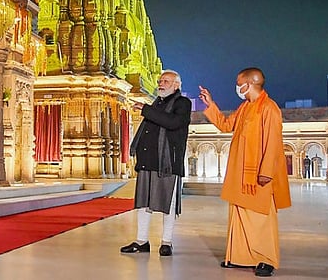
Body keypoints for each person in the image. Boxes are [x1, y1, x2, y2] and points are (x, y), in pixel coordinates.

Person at [199, 68, 291, 278]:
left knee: (261, 217)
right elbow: (225, 125)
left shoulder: (269, 108)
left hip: (258, 175)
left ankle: (266, 260)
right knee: (239, 215)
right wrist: (210, 105)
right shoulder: (244, 107)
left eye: (238, 83)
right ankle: (241, 257)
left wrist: (266, 172)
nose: (237, 87)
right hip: (240, 174)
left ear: (248, 84)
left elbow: (273, 142)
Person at [120, 70, 192, 257]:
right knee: (144, 203)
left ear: (176, 85)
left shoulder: (182, 103)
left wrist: (145, 109)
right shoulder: (157, 103)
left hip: (168, 162)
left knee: (168, 203)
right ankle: (141, 241)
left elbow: (172, 122)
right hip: (148, 160)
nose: (161, 83)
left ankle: (166, 242)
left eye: (166, 81)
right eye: (160, 81)